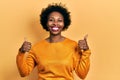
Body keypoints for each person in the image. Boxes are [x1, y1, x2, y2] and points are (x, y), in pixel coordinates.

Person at [16, 3, 91, 80]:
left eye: (59, 20)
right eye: (51, 20)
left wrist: (86, 51)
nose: (55, 23)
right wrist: (21, 52)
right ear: (46, 22)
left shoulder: (73, 45)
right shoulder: (37, 48)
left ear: (64, 23)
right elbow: (24, 73)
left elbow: (82, 75)